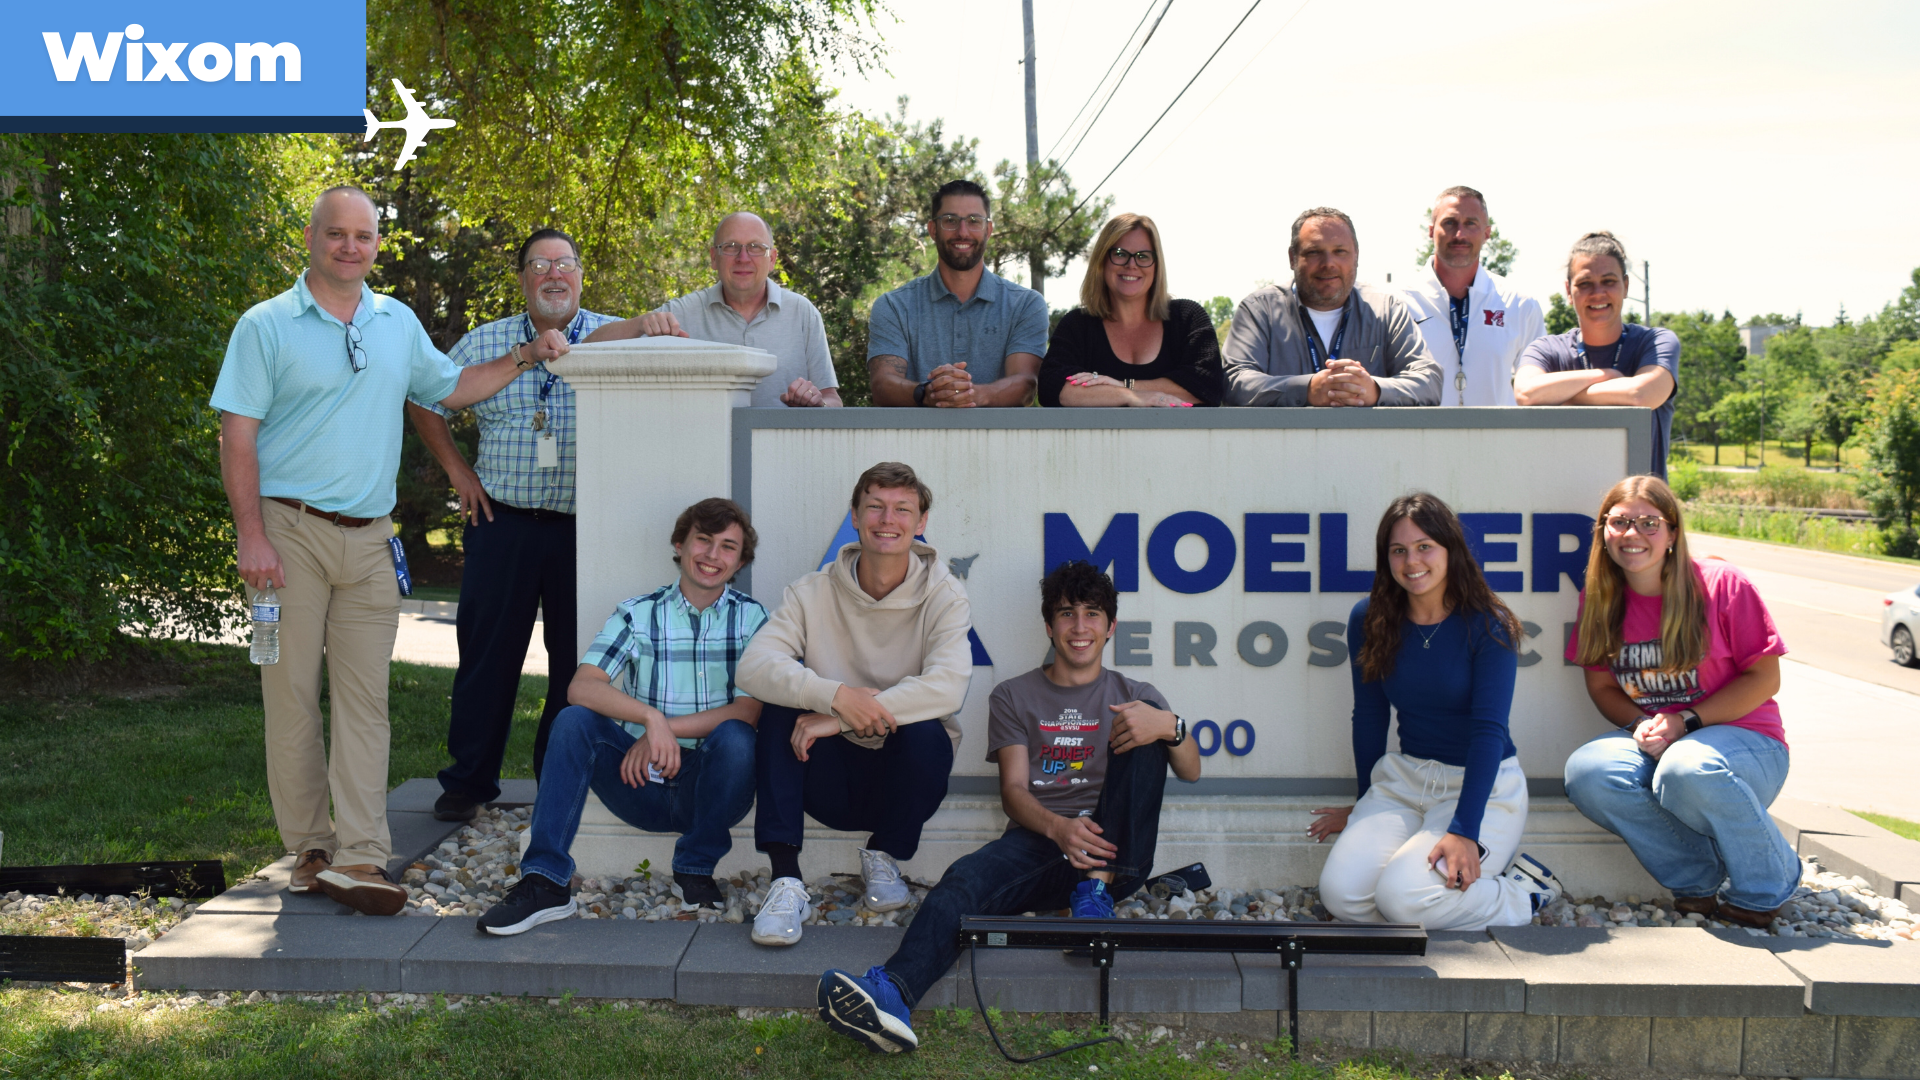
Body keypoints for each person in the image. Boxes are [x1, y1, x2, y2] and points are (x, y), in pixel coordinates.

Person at [212, 186, 571, 916]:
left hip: (372, 542)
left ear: (378, 243)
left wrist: (528, 353)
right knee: (288, 699)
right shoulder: (266, 325)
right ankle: (311, 849)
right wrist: (250, 534)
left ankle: (364, 856)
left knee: (366, 704)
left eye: (363, 236)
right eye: (337, 234)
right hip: (288, 535)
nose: (351, 247)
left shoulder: (396, 322)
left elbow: (452, 387)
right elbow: (237, 433)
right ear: (311, 238)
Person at [813, 560, 1202, 1054]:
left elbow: (1190, 770)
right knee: (963, 879)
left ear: (1110, 626)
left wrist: (1172, 726)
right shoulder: (1014, 695)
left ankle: (1094, 894)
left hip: (1115, 850)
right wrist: (1061, 830)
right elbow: (1015, 792)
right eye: (1066, 614)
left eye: (1092, 614)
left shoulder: (1134, 694)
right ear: (1049, 626)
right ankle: (891, 994)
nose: (1079, 628)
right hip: (1041, 842)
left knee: (1148, 729)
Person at [409, 228, 623, 823]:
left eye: (565, 263)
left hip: (587, 530)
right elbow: (425, 399)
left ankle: (559, 778)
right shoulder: (489, 341)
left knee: (576, 662)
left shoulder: (614, 339)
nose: (554, 274)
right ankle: (468, 782)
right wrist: (457, 471)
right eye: (539, 265)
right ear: (524, 278)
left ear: (581, 275)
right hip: (500, 522)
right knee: (487, 656)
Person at [477, 498, 767, 935]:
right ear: (679, 544)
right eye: (703, 541)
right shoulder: (638, 613)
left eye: (728, 547)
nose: (712, 555)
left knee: (738, 738)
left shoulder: (752, 617)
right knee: (573, 720)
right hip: (638, 782)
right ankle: (545, 882)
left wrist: (664, 731)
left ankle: (695, 866)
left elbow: (748, 710)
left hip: (711, 787)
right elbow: (582, 686)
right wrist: (651, 720)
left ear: (741, 560)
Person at [734, 462, 973, 947]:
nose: (888, 519)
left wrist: (838, 716)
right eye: (876, 507)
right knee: (781, 706)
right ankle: (786, 880)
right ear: (856, 516)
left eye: (902, 509)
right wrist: (836, 696)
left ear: (921, 520)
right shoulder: (810, 591)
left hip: (899, 785)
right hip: (825, 780)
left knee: (928, 728)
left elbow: (948, 687)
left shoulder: (945, 594)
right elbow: (753, 668)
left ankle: (884, 855)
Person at [1309, 494, 1562, 931]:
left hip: (1482, 787)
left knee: (1402, 898)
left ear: (1451, 550)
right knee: (1342, 896)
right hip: (1405, 781)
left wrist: (1465, 829)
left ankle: (1523, 893)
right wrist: (1364, 801)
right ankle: (1428, 904)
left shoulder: (1489, 623)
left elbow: (1488, 731)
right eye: (1399, 550)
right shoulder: (1369, 618)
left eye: (1425, 546)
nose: (1412, 561)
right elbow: (1369, 716)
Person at [1562, 477, 1797, 929]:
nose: (1633, 535)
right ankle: (1697, 878)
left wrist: (1685, 721)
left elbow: (1765, 678)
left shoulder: (1721, 584)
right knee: (1589, 772)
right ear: (1603, 532)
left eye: (1649, 523)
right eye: (1620, 522)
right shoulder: (1598, 598)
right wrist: (1640, 725)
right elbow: (1602, 689)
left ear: (1672, 533)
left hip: (1749, 746)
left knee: (1686, 765)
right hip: (1665, 741)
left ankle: (1768, 881)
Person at [586, 212, 841, 407]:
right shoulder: (683, 312)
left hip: (783, 458)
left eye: (755, 247)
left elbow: (832, 400)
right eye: (730, 247)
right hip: (705, 462)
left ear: (772, 259)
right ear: (713, 257)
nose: (743, 257)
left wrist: (815, 403)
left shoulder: (803, 313)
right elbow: (587, 349)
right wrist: (640, 323)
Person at [1223, 207, 1440, 407]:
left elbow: (1429, 381)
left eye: (1339, 251)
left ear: (1356, 256)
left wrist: (1374, 390)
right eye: (1314, 252)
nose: (1328, 263)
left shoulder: (1387, 310)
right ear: (1292, 258)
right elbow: (1233, 382)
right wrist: (1307, 389)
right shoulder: (1259, 311)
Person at [867, 180, 1049, 408]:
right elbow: (882, 386)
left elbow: (1026, 385)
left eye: (974, 221)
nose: (962, 232)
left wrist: (972, 394)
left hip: (1000, 443)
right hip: (914, 443)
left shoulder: (1026, 304)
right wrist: (928, 392)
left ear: (988, 229)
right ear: (933, 230)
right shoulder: (894, 305)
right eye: (950, 221)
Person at [1514, 232, 1679, 478]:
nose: (1597, 292)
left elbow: (1640, 394)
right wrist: (1607, 375)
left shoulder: (1656, 342)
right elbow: (1526, 393)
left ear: (1626, 286)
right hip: (1564, 503)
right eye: (1585, 283)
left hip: (1639, 512)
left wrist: (1564, 400)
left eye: (1609, 281)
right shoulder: (1546, 349)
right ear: (1569, 292)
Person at [1037, 212, 1223, 408]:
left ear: (1156, 265)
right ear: (1101, 262)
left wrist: (1124, 385)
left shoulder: (1187, 318)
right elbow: (1052, 389)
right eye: (1119, 254)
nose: (1131, 265)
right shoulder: (1077, 325)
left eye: (1143, 257)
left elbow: (1208, 386)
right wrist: (1131, 397)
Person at [1398, 186, 1544, 407]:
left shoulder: (1520, 305)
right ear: (1431, 231)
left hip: (1499, 440)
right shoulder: (1397, 303)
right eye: (1449, 223)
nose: (1460, 235)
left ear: (1487, 233)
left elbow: (1538, 391)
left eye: (1470, 224)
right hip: (1422, 439)